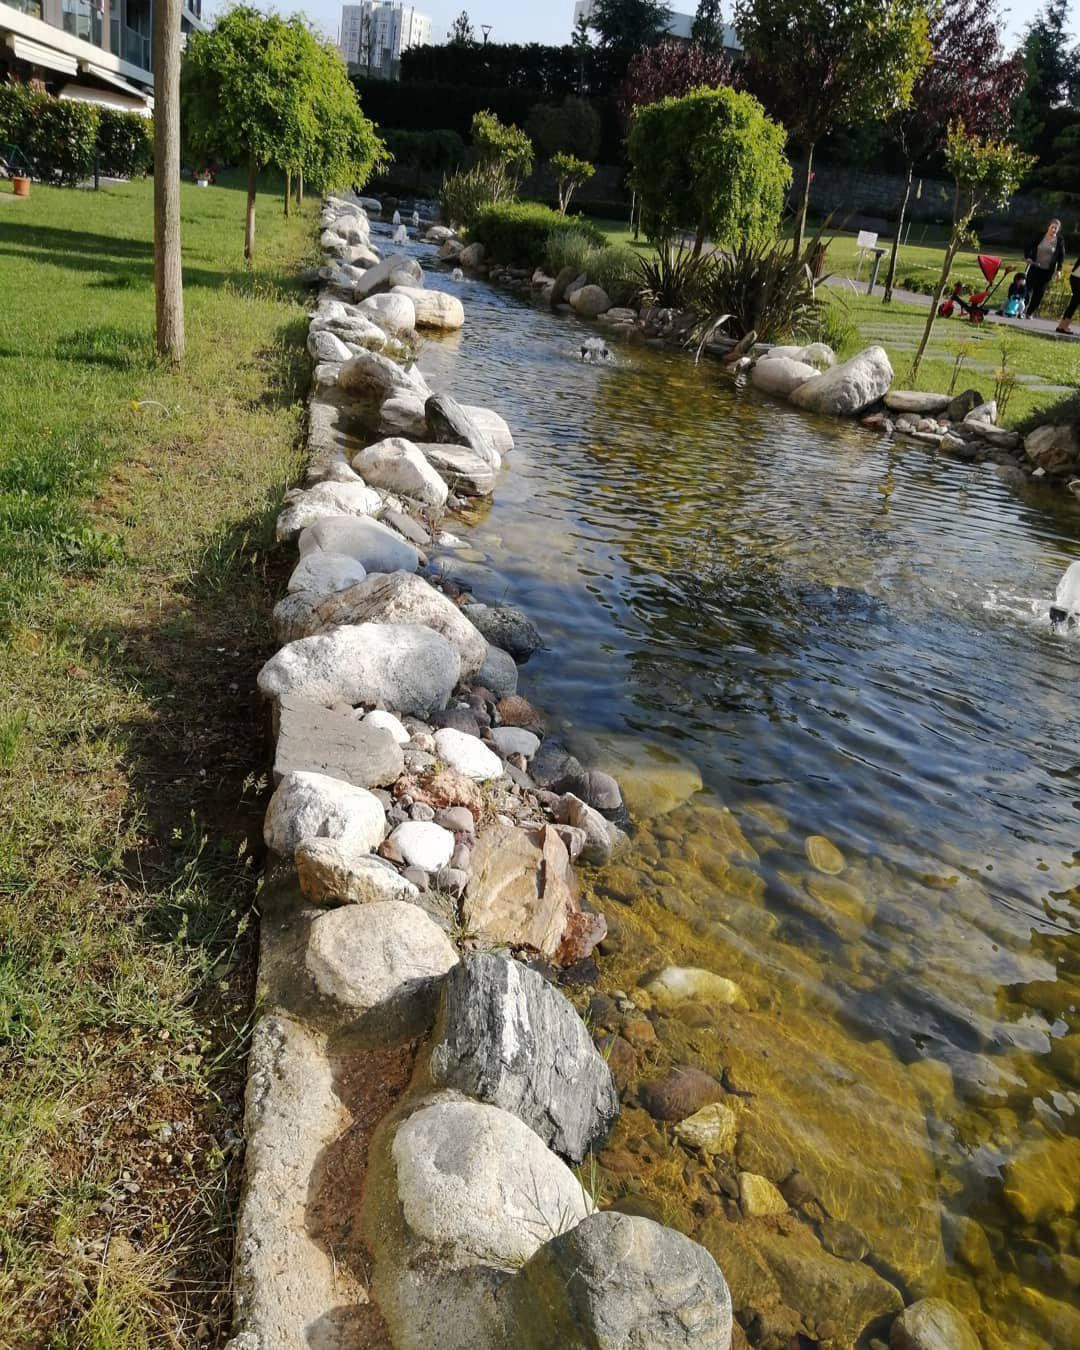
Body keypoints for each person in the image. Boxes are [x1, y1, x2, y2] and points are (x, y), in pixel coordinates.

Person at [1023, 218, 1065, 318]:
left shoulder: (1059, 241)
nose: (1053, 230)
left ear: (1058, 229)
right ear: (1048, 227)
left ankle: (1029, 312)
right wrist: (1028, 257)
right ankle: (1021, 309)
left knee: (1039, 293)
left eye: (1056, 228)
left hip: (1047, 271)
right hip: (1034, 266)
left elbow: (1061, 256)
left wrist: (1058, 270)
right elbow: (1029, 246)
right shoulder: (1040, 236)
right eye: (1052, 227)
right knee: (1028, 289)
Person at [1056, 248, 1080, 334]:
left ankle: (1062, 326)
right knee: (1074, 303)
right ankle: (1064, 326)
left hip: (1075, 277)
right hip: (1078, 278)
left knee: (1074, 303)